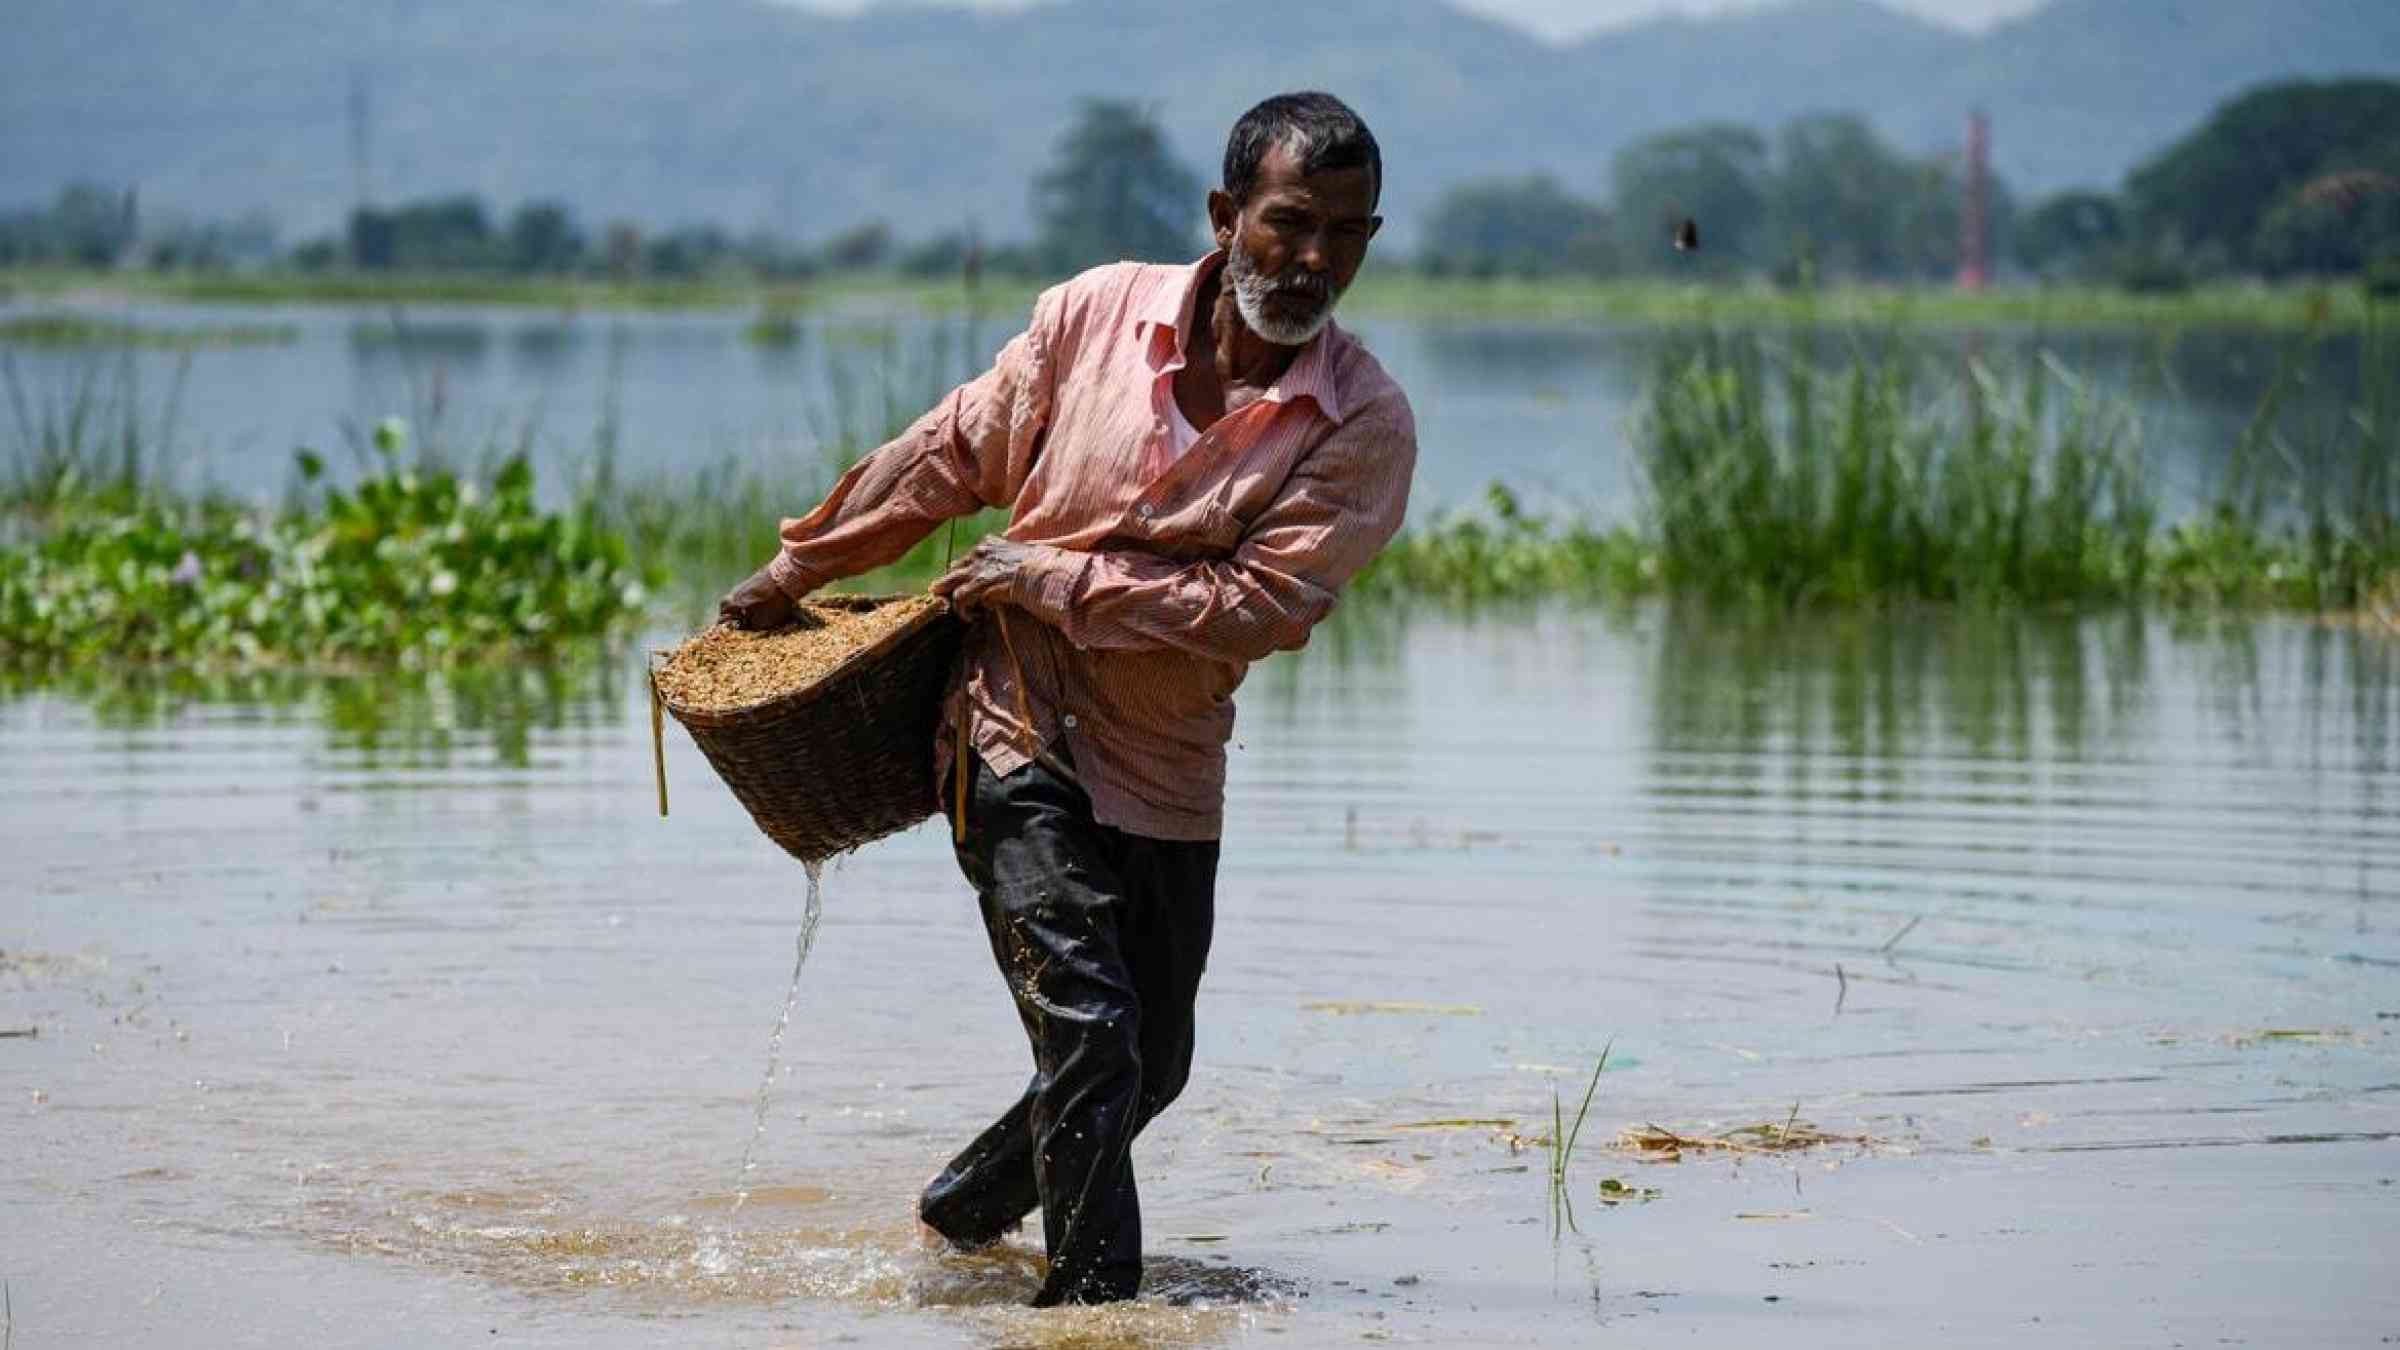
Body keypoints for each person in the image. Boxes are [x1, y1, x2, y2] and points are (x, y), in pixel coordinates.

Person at [716, 90, 1416, 1306]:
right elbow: (950, 454)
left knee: (1155, 1065)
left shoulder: (1360, 423)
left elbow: (1258, 605)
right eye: (1289, 224)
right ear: (1224, 214)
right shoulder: (1094, 316)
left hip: (1167, 756)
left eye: (1345, 235)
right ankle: (1092, 1318)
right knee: (1094, 1032)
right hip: (1013, 726)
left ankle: (962, 1210)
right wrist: (795, 568)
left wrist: (1051, 575)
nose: (1312, 261)